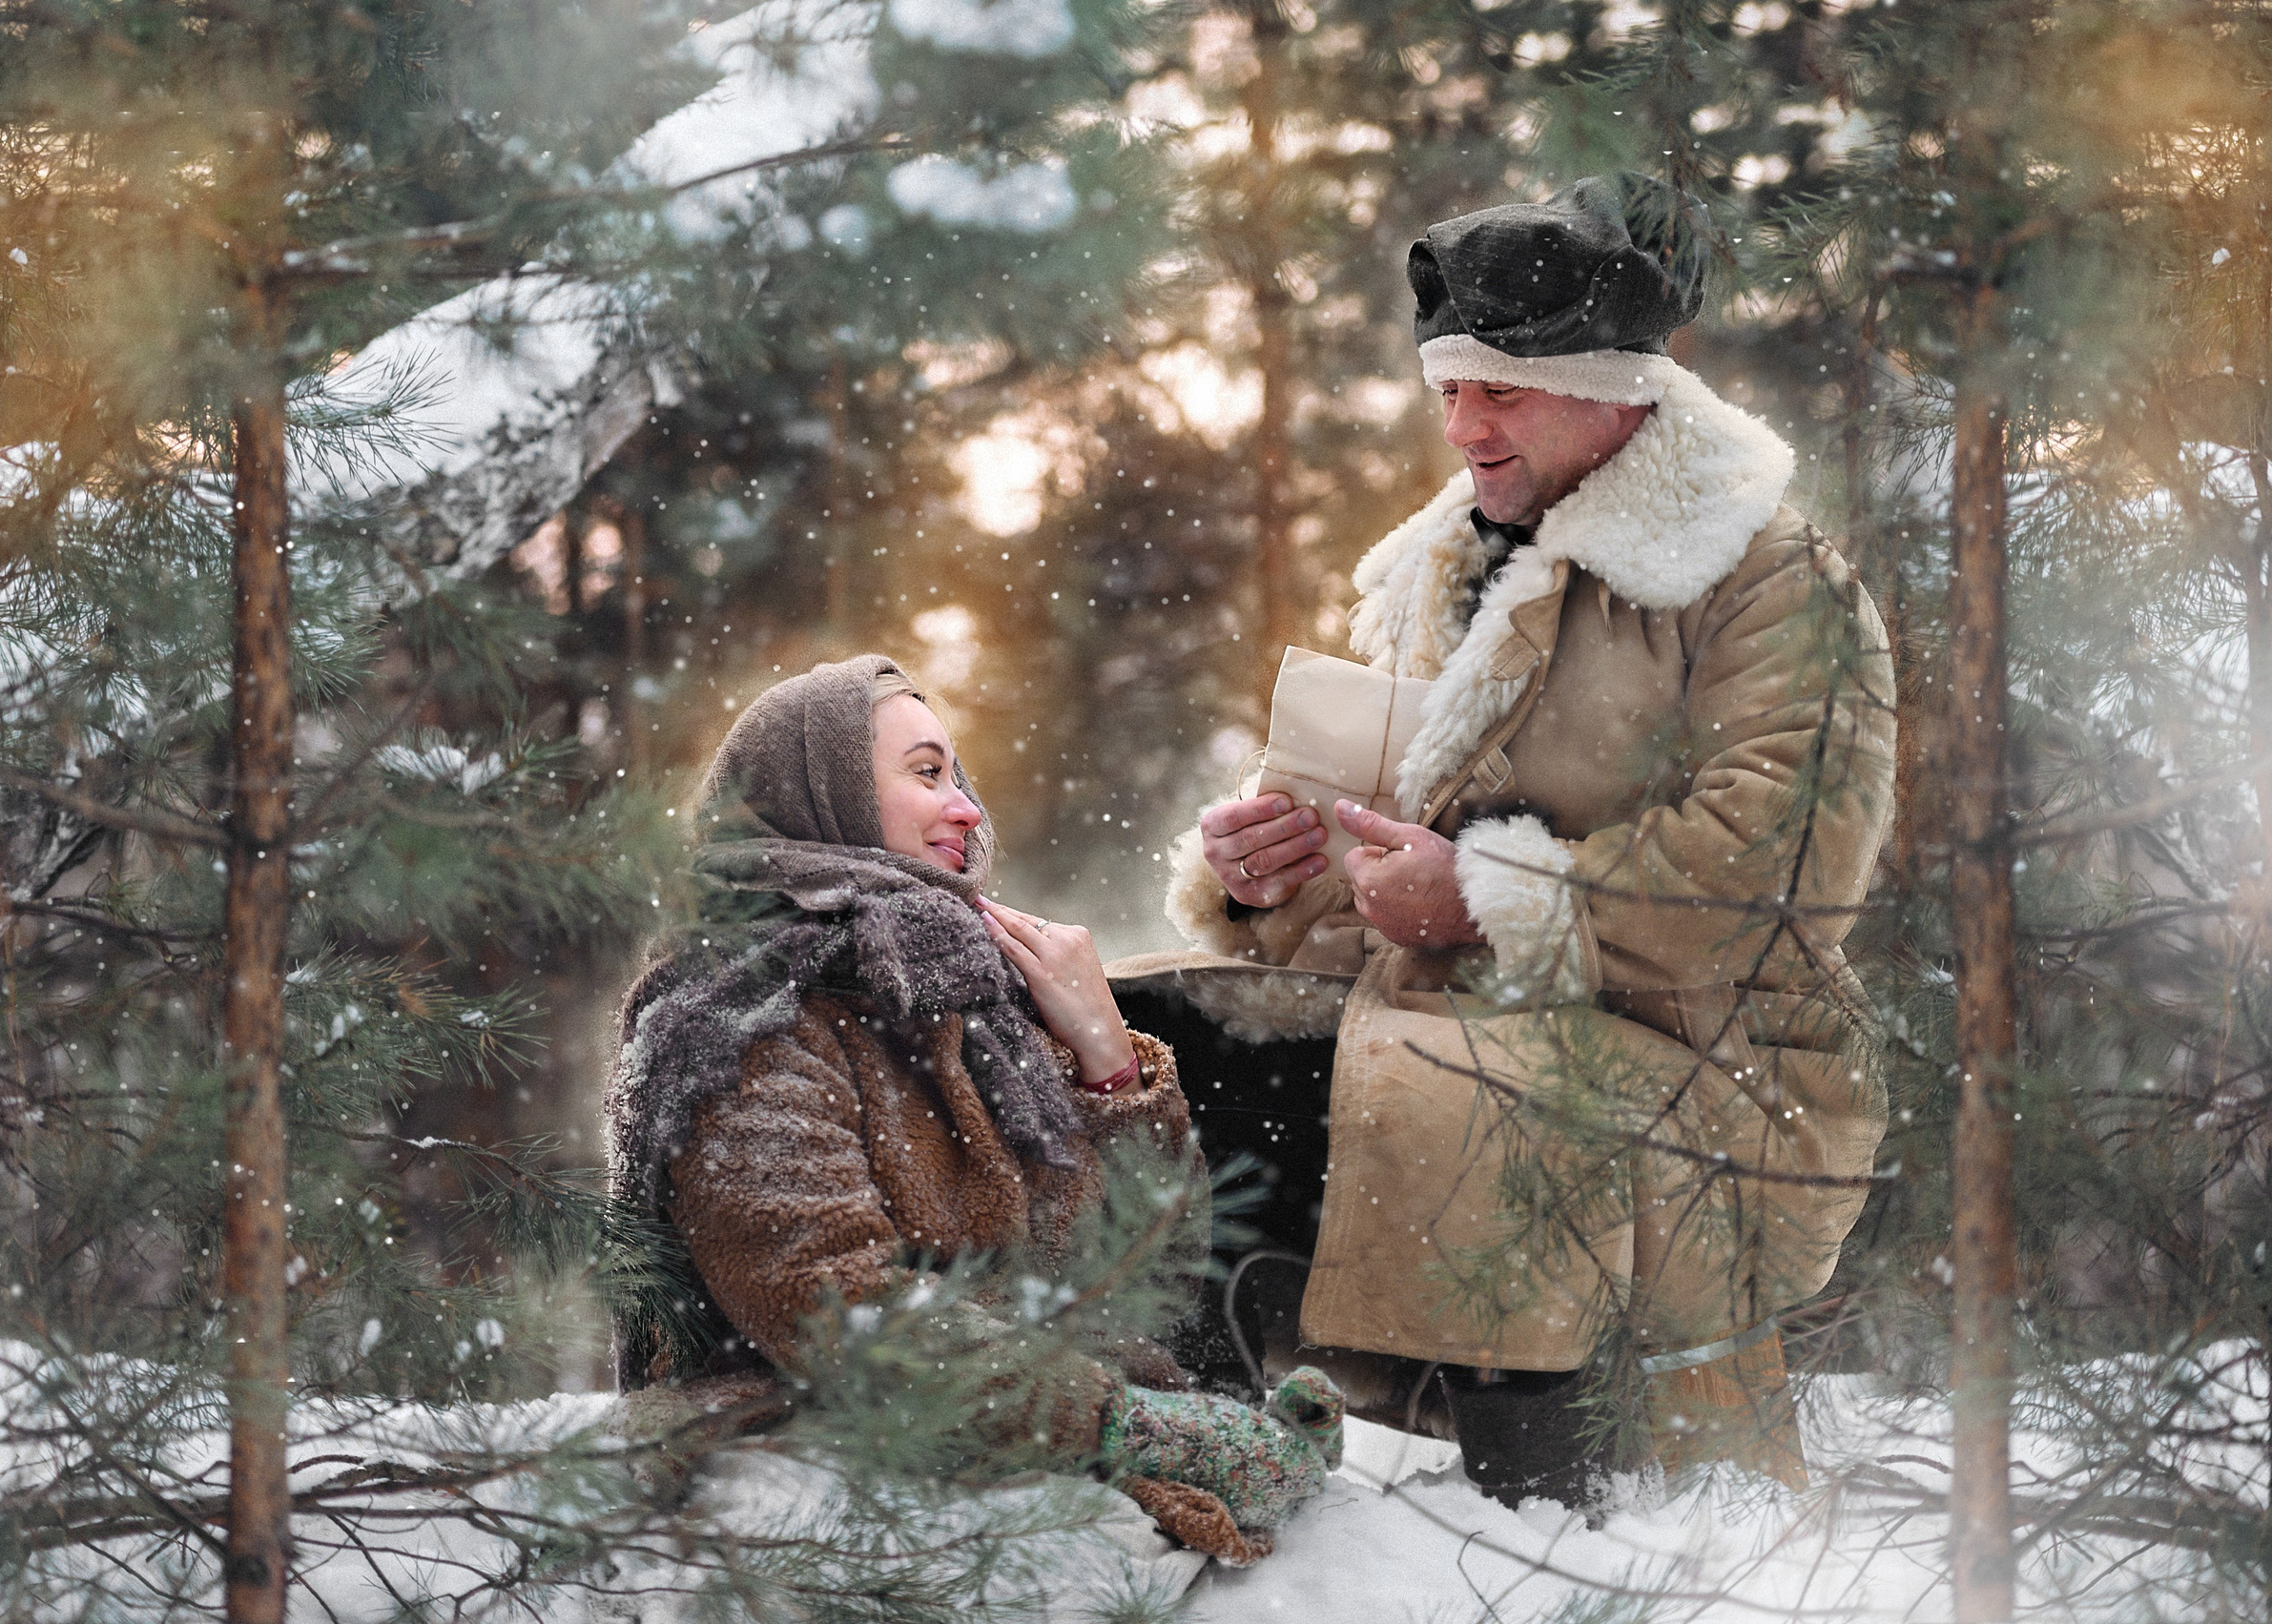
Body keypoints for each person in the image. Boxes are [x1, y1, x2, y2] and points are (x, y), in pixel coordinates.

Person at [1111, 175, 1897, 1508]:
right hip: (1456, 1021)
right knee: (1159, 1039)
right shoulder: (1440, 564)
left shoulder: (1774, 579)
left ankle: (1556, 1527)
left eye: (1500, 390)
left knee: (1468, 1101)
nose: (1461, 424)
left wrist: (1483, 897)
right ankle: (1215, 1464)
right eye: (1448, 389)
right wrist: (1269, 876)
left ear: (1617, 388)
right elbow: (1390, 868)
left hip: (1718, 1075)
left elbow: (1784, 867)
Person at [605, 654, 1341, 1563]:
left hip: (998, 1442)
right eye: (925, 772)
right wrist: (1130, 1427)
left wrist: (1108, 1060)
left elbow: (1158, 1280)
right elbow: (833, 1309)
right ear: (820, 790)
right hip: (817, 1482)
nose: (966, 808)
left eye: (960, 775)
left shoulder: (968, 1001)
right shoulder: (736, 1013)